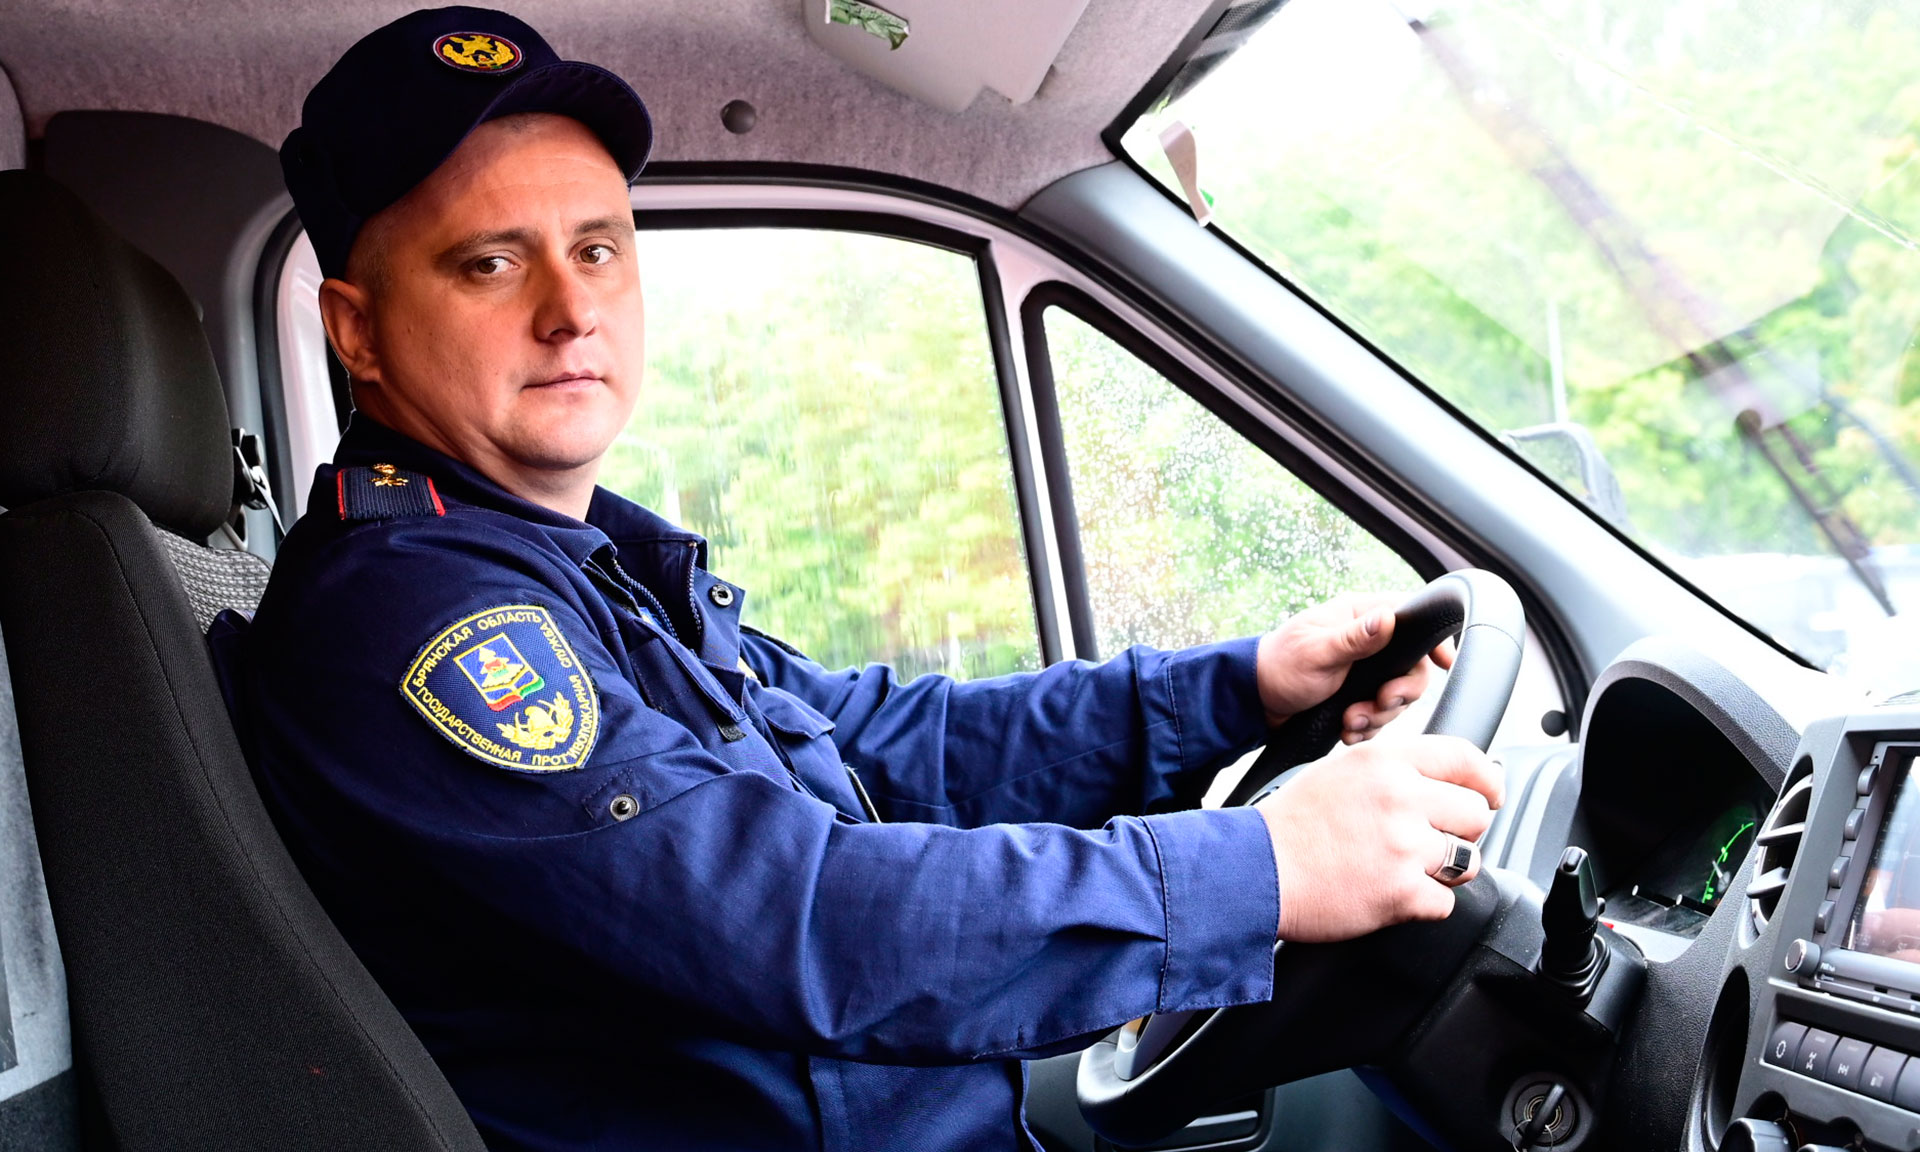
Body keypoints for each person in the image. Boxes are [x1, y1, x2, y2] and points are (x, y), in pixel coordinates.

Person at [228, 6, 1504, 1150]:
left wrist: (1239, 690)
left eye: (600, 248)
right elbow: (792, 916)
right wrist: (1263, 869)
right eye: (491, 263)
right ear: (357, 331)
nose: (573, 309)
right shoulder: (411, 616)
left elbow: (877, 744)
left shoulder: (586, 560)